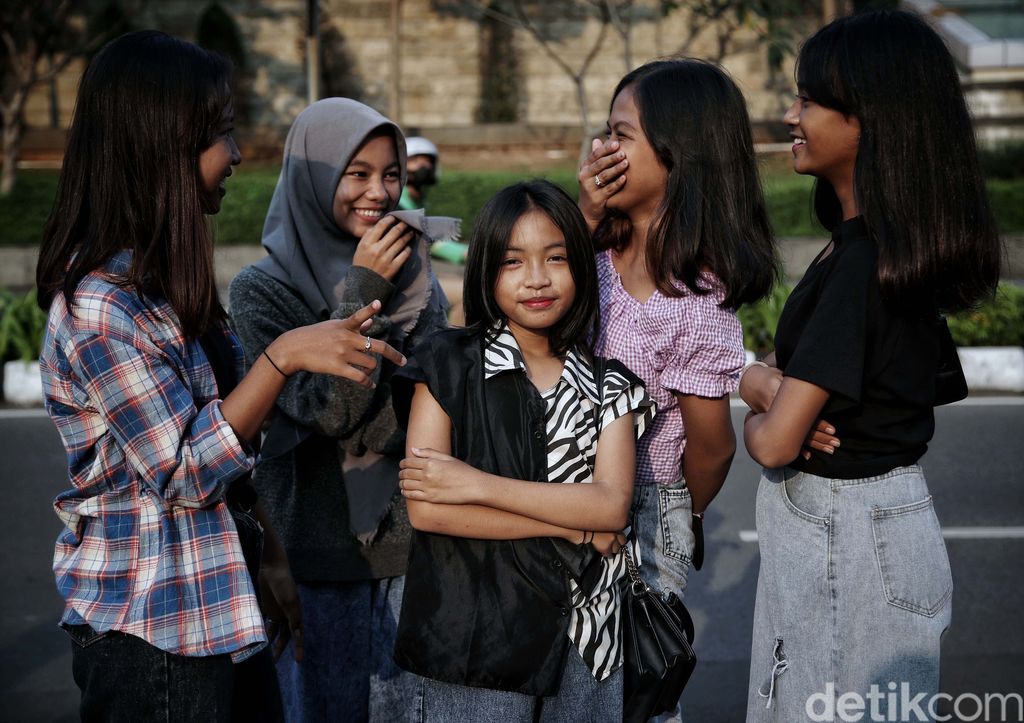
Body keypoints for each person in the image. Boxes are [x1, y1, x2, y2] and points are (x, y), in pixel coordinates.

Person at [35, 31, 404, 722]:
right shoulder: (102, 304)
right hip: (154, 635)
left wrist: (267, 557)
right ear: (162, 147)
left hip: (220, 617)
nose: (235, 155)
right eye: (222, 136)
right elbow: (184, 469)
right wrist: (284, 355)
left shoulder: (164, 285)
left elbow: (231, 466)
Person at [739, 10, 1002, 719]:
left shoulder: (861, 264)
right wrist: (773, 382)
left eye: (808, 100)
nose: (790, 115)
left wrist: (759, 389)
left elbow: (772, 440)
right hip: (868, 535)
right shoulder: (875, 248)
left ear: (870, 118)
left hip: (845, 543)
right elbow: (788, 374)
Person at [391, 180, 654, 721]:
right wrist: (568, 524)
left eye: (555, 258)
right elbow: (429, 508)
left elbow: (609, 507)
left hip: (587, 645)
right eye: (513, 262)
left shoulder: (611, 387)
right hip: (475, 641)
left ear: (581, 266)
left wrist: (476, 485)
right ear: (487, 271)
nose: (537, 279)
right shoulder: (446, 362)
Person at [228, 98, 450, 722]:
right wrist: (362, 289)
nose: (379, 192)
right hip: (314, 558)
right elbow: (333, 412)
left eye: (390, 173)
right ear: (314, 175)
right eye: (358, 173)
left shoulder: (414, 275)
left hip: (408, 545)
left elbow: (433, 399)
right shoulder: (261, 291)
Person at [575, 59, 778, 712]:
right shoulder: (592, 254)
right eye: (605, 131)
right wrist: (579, 216)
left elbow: (712, 446)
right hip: (559, 490)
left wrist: (678, 514)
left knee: (631, 677)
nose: (604, 148)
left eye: (621, 134)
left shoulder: (694, 299)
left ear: (679, 156)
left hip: (644, 508)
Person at [398, 136, 439, 211]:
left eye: (427, 161)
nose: (422, 167)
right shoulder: (396, 203)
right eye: (414, 160)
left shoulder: (422, 201)